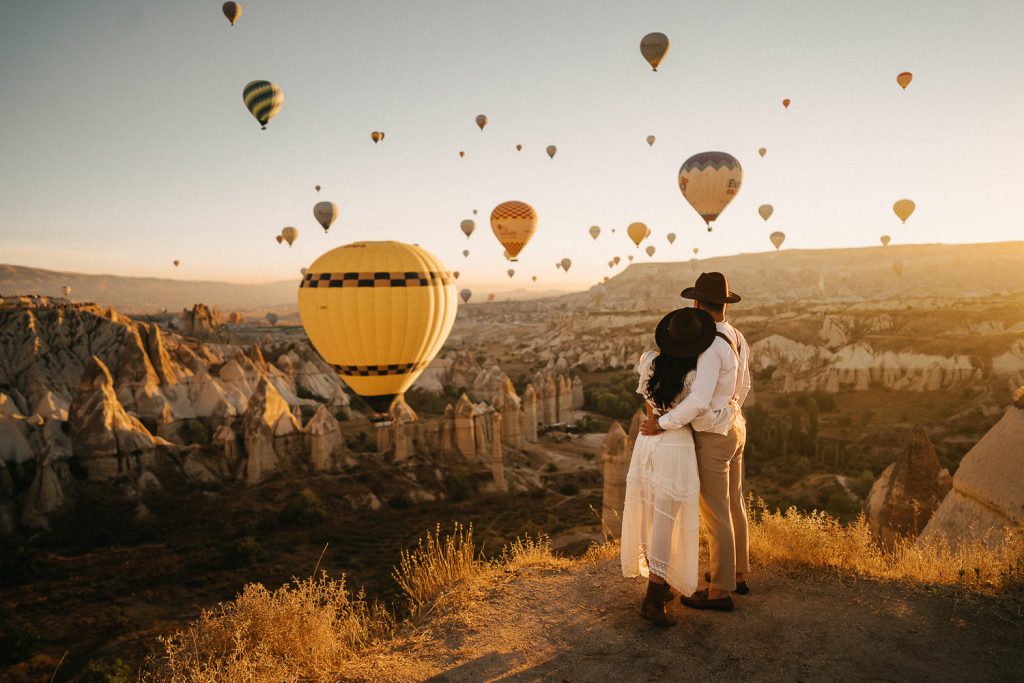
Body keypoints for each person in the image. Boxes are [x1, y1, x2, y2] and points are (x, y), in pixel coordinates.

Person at [640, 272, 752, 612]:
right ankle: (738, 572)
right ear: (725, 303)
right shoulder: (735, 336)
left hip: (713, 436)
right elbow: (744, 385)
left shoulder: (708, 345)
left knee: (716, 514)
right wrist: (730, 412)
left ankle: (719, 591)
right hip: (735, 427)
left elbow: (699, 400)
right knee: (734, 504)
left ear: (696, 303)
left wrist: (662, 422)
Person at [620, 306, 717, 627]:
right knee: (667, 521)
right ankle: (653, 596)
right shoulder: (695, 373)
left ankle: (659, 588)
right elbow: (696, 409)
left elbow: (648, 403)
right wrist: (667, 422)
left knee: (651, 515)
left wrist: (657, 418)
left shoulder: (650, 362)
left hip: (647, 443)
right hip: (675, 446)